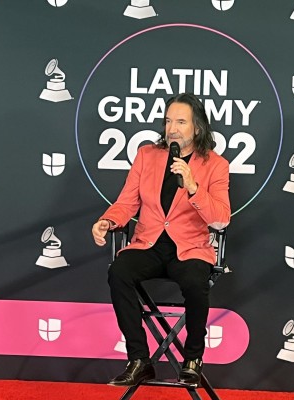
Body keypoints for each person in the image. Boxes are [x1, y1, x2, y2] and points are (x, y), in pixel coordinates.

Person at [92, 93, 231, 387]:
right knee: (119, 271)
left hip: (190, 248)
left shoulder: (216, 165)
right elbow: (127, 203)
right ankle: (139, 360)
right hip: (149, 245)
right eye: (168, 121)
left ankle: (192, 359)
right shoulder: (147, 155)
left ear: (197, 128)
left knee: (195, 281)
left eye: (180, 122)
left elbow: (221, 219)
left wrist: (193, 187)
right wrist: (109, 221)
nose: (172, 129)